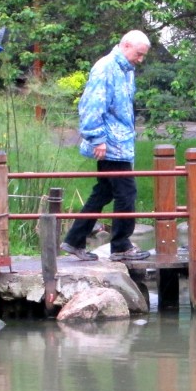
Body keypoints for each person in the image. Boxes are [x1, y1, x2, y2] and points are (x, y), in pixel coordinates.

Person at [61, 30, 152, 262]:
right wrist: (97, 138)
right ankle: (121, 246)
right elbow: (92, 104)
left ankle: (74, 240)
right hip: (110, 143)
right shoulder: (105, 68)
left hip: (119, 141)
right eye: (139, 54)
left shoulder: (125, 70)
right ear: (126, 45)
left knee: (104, 191)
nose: (140, 60)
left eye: (143, 56)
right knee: (126, 193)